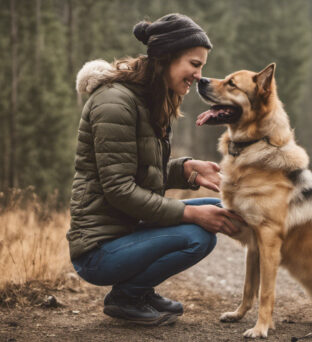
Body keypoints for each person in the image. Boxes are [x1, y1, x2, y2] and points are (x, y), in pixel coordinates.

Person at [67, 13, 241, 326]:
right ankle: (127, 297)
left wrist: (186, 169)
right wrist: (188, 213)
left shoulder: (148, 100)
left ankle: (139, 290)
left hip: (126, 232)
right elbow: (119, 189)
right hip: (97, 250)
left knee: (216, 208)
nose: (199, 74)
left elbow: (141, 171)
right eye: (194, 64)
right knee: (198, 235)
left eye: (201, 66)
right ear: (167, 58)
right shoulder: (115, 103)